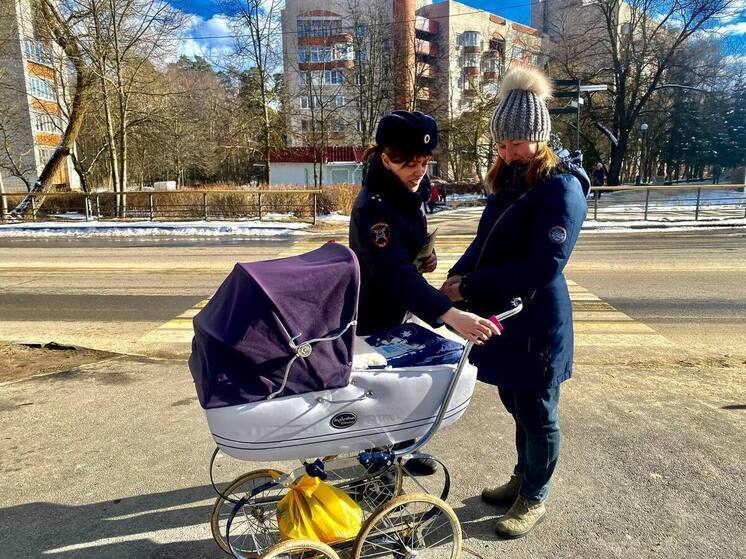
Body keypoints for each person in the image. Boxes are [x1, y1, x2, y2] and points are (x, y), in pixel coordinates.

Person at [440, 67, 589, 539]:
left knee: (538, 411)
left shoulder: (560, 188)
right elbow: (485, 240)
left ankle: (535, 495)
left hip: (536, 321)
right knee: (515, 401)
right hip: (505, 316)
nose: (507, 152)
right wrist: (457, 275)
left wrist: (470, 287)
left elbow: (543, 265)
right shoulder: (511, 180)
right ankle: (523, 475)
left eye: (517, 143)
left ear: (539, 137)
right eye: (501, 145)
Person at [349, 110, 500, 475]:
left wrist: (424, 257)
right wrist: (450, 314)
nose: (419, 171)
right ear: (386, 159)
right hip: (374, 311)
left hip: (398, 307)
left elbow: (405, 255)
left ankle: (397, 450)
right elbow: (393, 274)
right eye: (410, 164)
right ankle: (377, 468)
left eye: (424, 161)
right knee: (378, 390)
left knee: (397, 388)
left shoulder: (403, 190)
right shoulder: (375, 207)